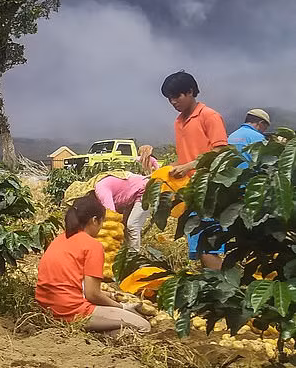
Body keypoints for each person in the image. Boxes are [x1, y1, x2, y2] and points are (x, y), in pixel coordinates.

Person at [144, 70, 228, 270]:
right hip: (189, 192)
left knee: (209, 246)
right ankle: (211, 283)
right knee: (198, 246)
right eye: (169, 98)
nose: (173, 102)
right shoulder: (179, 122)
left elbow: (220, 151)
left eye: (177, 96)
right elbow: (185, 157)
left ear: (190, 91)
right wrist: (163, 171)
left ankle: (222, 284)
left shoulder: (209, 116)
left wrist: (189, 167)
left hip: (209, 190)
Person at [36, 192, 151, 334]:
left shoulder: (59, 239)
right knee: (143, 325)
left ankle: (99, 330)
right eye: (102, 222)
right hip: (70, 311)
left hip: (46, 308)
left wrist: (109, 296)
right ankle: (102, 332)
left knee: (120, 321)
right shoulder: (92, 246)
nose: (101, 227)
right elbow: (92, 294)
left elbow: (74, 284)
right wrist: (121, 307)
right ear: (95, 220)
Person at [93, 173, 151, 251]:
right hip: (133, 193)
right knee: (124, 225)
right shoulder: (100, 189)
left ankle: (134, 255)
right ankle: (125, 252)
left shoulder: (101, 190)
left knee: (132, 225)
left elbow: (112, 216)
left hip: (145, 190)